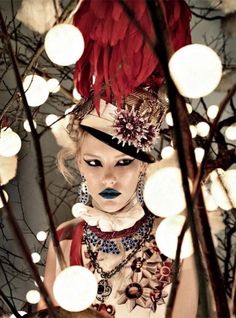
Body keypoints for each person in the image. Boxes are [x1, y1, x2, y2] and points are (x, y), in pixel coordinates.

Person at [37, 88, 198, 318]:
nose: (109, 177)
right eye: (94, 162)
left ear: (142, 165)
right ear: (80, 164)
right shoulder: (64, 238)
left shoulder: (178, 240)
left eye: (123, 162)